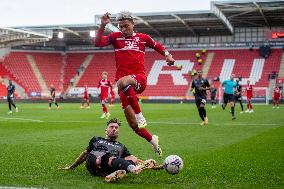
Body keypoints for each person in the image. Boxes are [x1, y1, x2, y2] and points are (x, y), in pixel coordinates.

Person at [93, 11, 175, 157]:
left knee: (123, 81)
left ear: (133, 24)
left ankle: (140, 114)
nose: (123, 29)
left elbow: (158, 46)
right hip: (123, 88)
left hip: (139, 79)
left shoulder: (143, 38)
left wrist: (168, 55)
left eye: (126, 26)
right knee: (134, 126)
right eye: (120, 26)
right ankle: (153, 141)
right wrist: (102, 25)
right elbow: (97, 42)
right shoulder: (116, 37)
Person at [60, 118, 157, 182]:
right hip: (94, 160)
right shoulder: (96, 139)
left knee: (132, 159)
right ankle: (131, 169)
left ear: (118, 132)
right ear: (106, 130)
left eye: (116, 128)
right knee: (109, 157)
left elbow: (133, 158)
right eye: (111, 127)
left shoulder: (121, 146)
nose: (114, 129)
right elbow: (85, 154)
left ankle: (113, 174)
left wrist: (150, 165)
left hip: (110, 165)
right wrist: (71, 167)